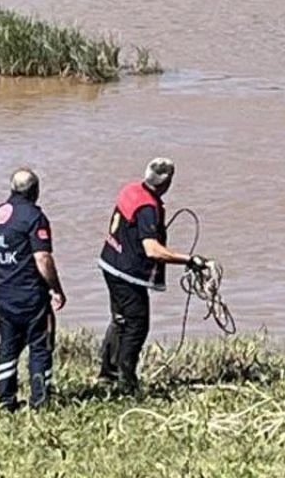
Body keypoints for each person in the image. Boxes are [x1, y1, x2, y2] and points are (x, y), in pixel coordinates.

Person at [96, 157, 210, 395]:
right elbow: (152, 250)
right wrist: (189, 260)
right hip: (127, 274)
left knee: (119, 320)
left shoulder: (130, 189)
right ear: (167, 183)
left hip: (110, 262)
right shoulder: (148, 208)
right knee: (137, 325)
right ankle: (126, 383)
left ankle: (107, 375)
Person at [0, 168, 68, 411]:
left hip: (3, 294)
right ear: (35, 191)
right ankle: (40, 401)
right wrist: (56, 289)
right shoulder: (34, 218)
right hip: (31, 296)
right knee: (40, 347)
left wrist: (4, 271)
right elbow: (42, 258)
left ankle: (5, 400)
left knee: (8, 345)